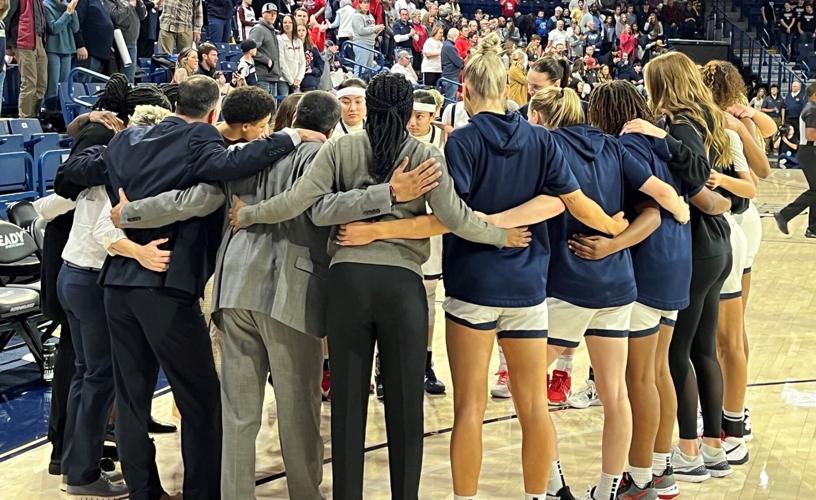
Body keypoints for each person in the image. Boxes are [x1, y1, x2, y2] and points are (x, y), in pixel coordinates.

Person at [226, 71, 525, 500]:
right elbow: (457, 219)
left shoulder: (340, 149)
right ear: (407, 113)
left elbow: (304, 207)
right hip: (402, 288)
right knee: (405, 408)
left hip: (346, 285)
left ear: (368, 108)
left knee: (348, 408)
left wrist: (249, 215)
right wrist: (502, 235)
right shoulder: (425, 155)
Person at [56, 75, 326, 500]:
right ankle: (203, 492)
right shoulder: (201, 141)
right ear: (212, 113)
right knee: (200, 396)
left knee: (130, 397)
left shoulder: (127, 141)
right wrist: (288, 137)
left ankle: (144, 490)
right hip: (166, 281)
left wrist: (125, 214)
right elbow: (212, 183)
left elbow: (76, 172)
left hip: (116, 281)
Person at [529, 86, 690, 500]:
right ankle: (609, 489)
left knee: (528, 388)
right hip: (619, 285)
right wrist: (678, 213)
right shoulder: (616, 150)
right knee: (616, 392)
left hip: (568, 282)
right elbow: (660, 203)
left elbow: (556, 206)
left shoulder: (545, 146)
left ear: (541, 118)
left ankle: (552, 485)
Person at [623, 51, 736, 485]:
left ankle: (687, 449)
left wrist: (661, 139)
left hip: (698, 245)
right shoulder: (710, 120)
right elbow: (730, 191)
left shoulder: (682, 125)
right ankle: (713, 444)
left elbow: (697, 173)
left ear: (662, 84)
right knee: (703, 349)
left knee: (678, 353)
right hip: (717, 240)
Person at [776, 81, 816, 238]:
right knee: (815, 190)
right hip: (810, 151)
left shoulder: (811, 108)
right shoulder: (812, 109)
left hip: (809, 151)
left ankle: (812, 228)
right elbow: (811, 135)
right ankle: (784, 215)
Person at [5, 0, 48, 118]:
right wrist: (7, 45)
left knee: (42, 83)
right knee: (29, 83)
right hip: (23, 41)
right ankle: (25, 119)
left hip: (39, 40)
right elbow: (6, 16)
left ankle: (35, 117)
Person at [43, 0, 79, 110]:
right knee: (53, 85)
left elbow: (76, 28)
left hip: (67, 49)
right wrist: (67, 13)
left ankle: (62, 114)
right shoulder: (46, 5)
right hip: (53, 49)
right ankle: (50, 112)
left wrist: (73, 11)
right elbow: (54, 28)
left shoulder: (66, 5)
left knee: (64, 86)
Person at [251, 3, 287, 97]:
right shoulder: (259, 29)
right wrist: (266, 60)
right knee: (263, 108)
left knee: (272, 109)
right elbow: (251, 49)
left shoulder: (271, 30)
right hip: (263, 76)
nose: (273, 15)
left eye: (274, 13)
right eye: (269, 12)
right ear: (263, 14)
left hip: (272, 77)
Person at [351, 0, 383, 78]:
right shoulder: (357, 16)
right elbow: (361, 31)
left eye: (368, 3)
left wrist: (378, 31)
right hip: (361, 44)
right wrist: (375, 28)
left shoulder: (371, 16)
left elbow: (371, 33)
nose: (366, 5)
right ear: (360, 4)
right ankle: (354, 87)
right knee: (360, 69)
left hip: (370, 44)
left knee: (368, 69)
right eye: (364, 3)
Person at [278, 14, 304, 92]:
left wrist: (299, 78)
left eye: (290, 22)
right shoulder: (279, 39)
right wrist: (291, 80)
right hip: (283, 80)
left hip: (296, 81)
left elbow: (302, 62)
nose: (287, 25)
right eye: (285, 22)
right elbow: (281, 62)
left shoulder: (298, 41)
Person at [299, 24, 323, 90]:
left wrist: (313, 71)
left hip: (309, 80)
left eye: (303, 30)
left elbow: (320, 66)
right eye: (299, 30)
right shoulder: (291, 47)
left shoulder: (312, 48)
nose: (301, 32)